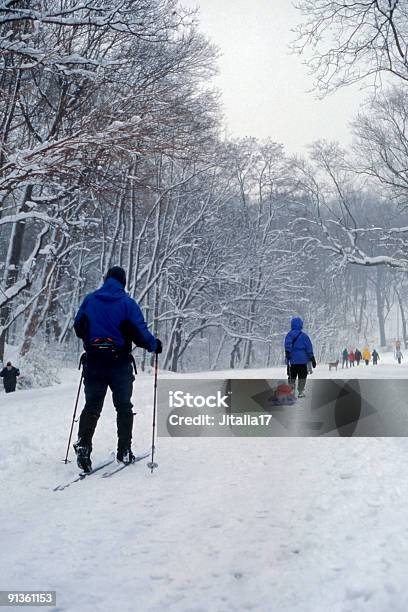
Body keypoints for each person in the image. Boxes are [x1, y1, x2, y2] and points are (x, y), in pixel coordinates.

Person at [73, 266, 162, 472]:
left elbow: (79, 327)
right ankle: (124, 451)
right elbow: (140, 333)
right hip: (119, 363)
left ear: (106, 279)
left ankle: (84, 446)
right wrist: (154, 345)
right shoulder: (127, 304)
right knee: (123, 407)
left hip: (94, 361)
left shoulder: (90, 300)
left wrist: (93, 338)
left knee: (92, 406)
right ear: (123, 282)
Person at [284, 317, 316, 398]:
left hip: (293, 360)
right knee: (302, 377)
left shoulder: (289, 335)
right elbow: (309, 347)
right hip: (303, 361)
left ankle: (291, 390)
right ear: (301, 325)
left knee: (291, 376)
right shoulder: (304, 336)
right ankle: (301, 391)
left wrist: (288, 353)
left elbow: (287, 345)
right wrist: (312, 358)